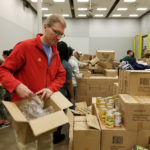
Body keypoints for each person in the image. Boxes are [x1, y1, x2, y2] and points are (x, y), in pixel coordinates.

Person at [0, 14, 66, 150]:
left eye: (62, 34)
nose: (59, 37)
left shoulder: (55, 53)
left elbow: (61, 75)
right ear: (46, 27)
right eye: (56, 32)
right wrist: (16, 85)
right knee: (27, 145)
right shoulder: (25, 47)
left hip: (44, 107)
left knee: (46, 143)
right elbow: (4, 70)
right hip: (25, 106)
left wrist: (51, 88)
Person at [53, 41, 74, 144]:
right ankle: (56, 135)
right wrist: (72, 97)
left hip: (50, 93)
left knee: (51, 114)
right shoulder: (66, 65)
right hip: (61, 94)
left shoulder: (50, 62)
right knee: (61, 115)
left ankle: (52, 133)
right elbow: (69, 83)